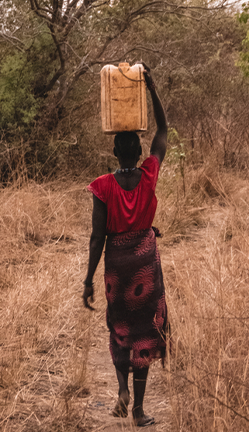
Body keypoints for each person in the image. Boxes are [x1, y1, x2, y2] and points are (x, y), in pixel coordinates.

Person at [83, 64, 168, 428]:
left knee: (119, 325)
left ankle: (121, 391)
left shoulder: (102, 186)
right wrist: (150, 86)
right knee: (146, 330)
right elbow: (163, 130)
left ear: (115, 150)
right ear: (138, 150)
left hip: (117, 263)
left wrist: (88, 279)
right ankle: (138, 411)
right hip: (145, 262)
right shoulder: (150, 174)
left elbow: (97, 236)